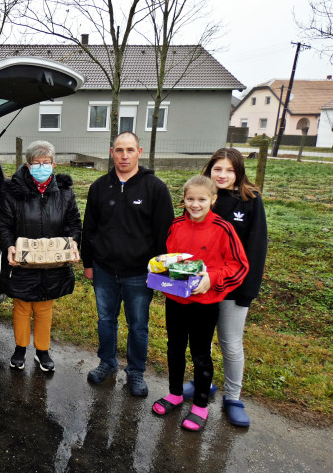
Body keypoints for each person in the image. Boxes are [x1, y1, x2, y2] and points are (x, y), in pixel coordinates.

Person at [151, 175, 249, 432]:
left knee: (200, 353)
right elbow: (169, 260)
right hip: (175, 299)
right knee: (174, 347)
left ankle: (201, 406)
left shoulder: (223, 228)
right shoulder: (175, 225)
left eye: (201, 200)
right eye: (190, 199)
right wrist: (161, 274)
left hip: (205, 303)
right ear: (183, 199)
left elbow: (239, 265)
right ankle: (174, 393)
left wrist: (212, 278)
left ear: (213, 200)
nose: (195, 205)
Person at [82, 132, 174, 396]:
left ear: (139, 152)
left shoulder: (155, 188)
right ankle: (107, 363)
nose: (124, 155)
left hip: (139, 274)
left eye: (130, 150)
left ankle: (135, 372)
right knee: (105, 320)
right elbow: (89, 228)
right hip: (104, 269)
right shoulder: (99, 186)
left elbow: (164, 234)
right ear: (112, 152)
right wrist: (88, 262)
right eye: (119, 150)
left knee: (138, 325)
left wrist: (161, 273)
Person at [180, 148, 267, 427]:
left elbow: (256, 248)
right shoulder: (201, 197)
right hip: (201, 287)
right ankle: (203, 382)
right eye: (218, 168)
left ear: (238, 172)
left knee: (230, 343)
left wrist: (247, 291)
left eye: (229, 170)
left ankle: (233, 397)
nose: (223, 175)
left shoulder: (251, 201)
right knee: (201, 340)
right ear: (210, 169)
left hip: (233, 287)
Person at [0, 141, 82, 372]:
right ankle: (20, 348)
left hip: (52, 263)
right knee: (22, 307)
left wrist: (73, 242)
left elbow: (74, 223)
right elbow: (4, 226)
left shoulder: (64, 192)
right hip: (22, 263)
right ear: (28, 165)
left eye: (46, 163)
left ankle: (42, 351)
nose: (42, 167)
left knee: (44, 309)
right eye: (37, 163)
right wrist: (8, 247)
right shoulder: (13, 192)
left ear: (54, 164)